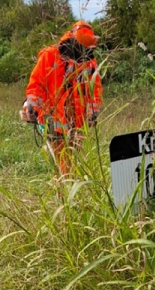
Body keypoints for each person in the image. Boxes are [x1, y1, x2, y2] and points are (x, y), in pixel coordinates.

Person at [20, 20, 102, 176]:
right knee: (63, 165)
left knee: (73, 163)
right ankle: (63, 194)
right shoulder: (50, 55)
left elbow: (95, 90)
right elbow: (36, 85)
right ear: (71, 40)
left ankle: (67, 192)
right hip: (53, 121)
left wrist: (92, 111)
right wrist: (32, 106)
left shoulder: (90, 63)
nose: (82, 52)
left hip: (78, 125)